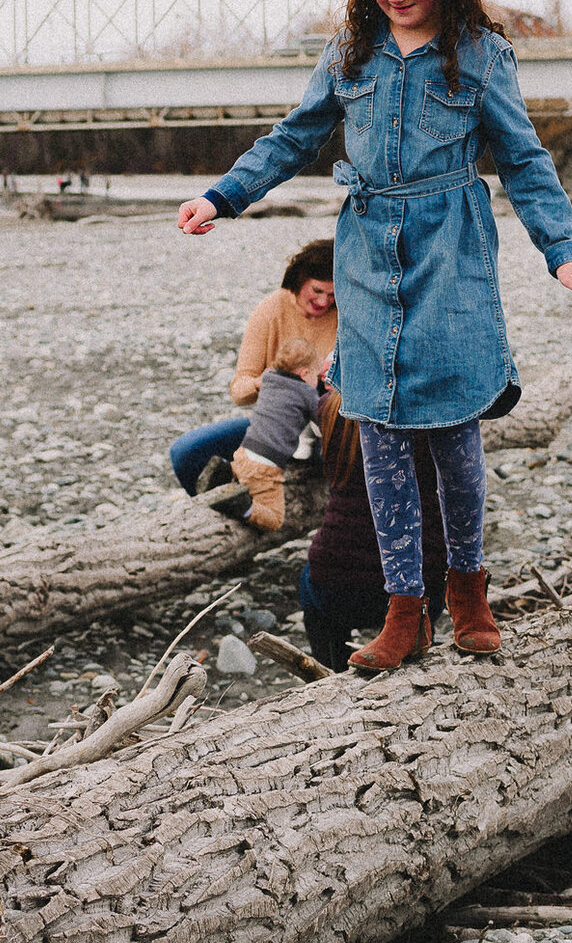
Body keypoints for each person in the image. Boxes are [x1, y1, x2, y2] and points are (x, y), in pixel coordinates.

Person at [178, 0, 572, 671]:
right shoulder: (349, 52)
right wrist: (221, 195)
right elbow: (293, 138)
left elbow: (525, 161)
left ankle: (465, 589)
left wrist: (561, 250)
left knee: (452, 432)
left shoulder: (479, 54)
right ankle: (403, 610)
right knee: (379, 432)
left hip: (452, 254)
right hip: (367, 255)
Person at [165, 239, 340, 496]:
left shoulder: (346, 313)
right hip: (278, 424)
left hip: (329, 428)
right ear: (300, 278)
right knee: (186, 453)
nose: (324, 302)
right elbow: (239, 390)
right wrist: (263, 381)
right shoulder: (272, 308)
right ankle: (234, 510)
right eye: (317, 291)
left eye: (332, 295)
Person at [300, 387, 446, 668]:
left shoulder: (329, 406)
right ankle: (417, 646)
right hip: (425, 581)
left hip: (337, 585)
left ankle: (332, 668)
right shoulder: (427, 405)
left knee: (309, 584)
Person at [227, 332, 322, 531]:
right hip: (266, 466)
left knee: (246, 475)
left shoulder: (268, 377)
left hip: (243, 453)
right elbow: (323, 422)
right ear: (304, 374)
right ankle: (243, 508)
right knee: (275, 520)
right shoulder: (307, 393)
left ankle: (226, 471)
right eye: (316, 375)